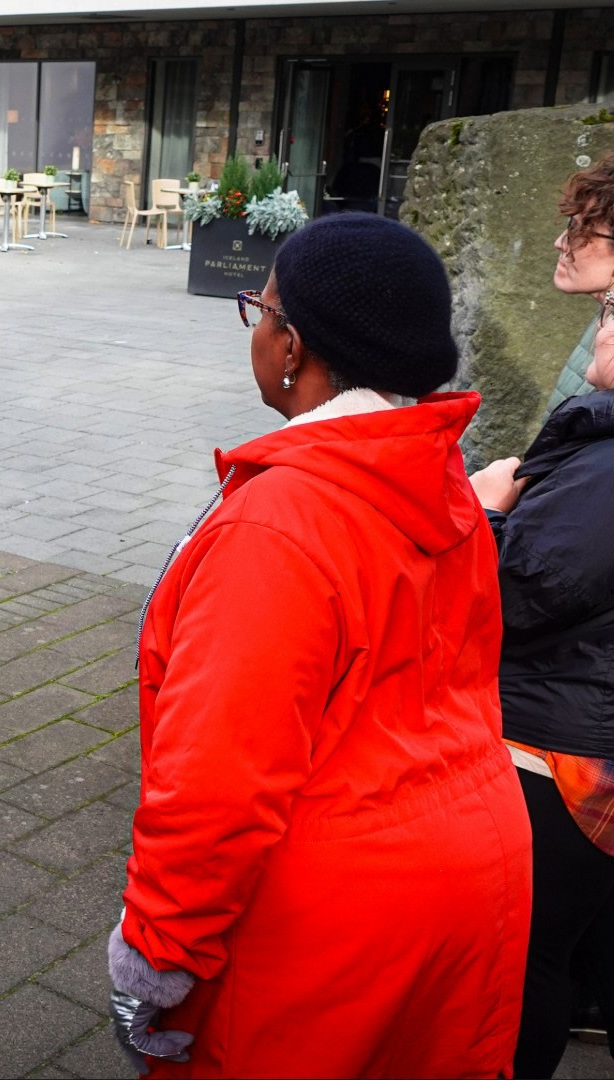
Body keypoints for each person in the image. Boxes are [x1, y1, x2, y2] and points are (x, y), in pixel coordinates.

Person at [111, 214, 531, 1078]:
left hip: (331, 915)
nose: (256, 328)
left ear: (293, 346)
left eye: (260, 310)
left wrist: (157, 951)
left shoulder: (280, 523)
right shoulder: (440, 478)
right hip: (473, 872)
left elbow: (219, 776)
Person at [468, 151, 614, 1079]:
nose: (564, 241)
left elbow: (528, 588)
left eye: (586, 228)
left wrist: (489, 513)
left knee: (526, 958)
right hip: (581, 708)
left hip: (562, 738)